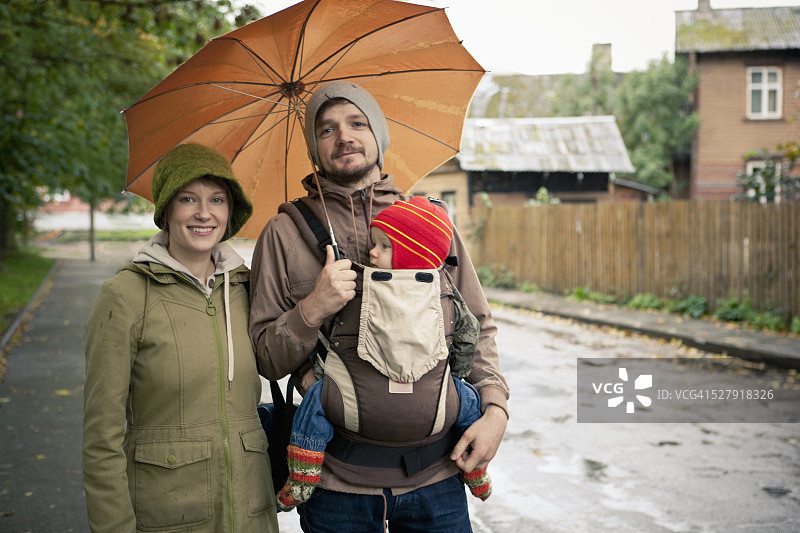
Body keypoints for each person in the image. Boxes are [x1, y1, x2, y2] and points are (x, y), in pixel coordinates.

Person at [249, 80, 509, 532]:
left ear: (378, 135)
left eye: (357, 123)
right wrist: (312, 309)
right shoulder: (282, 234)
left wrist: (496, 410)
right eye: (326, 129)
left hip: (438, 477)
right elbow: (265, 359)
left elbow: (477, 325)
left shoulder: (427, 221)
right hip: (336, 486)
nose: (343, 137)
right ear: (314, 149)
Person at [83, 143, 279, 533]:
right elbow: (101, 438)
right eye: (188, 199)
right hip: (168, 518)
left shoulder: (250, 288)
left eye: (217, 199)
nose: (204, 213)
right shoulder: (125, 296)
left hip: (252, 515)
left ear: (230, 211)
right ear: (167, 209)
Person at [275, 197, 492, 511]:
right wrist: (455, 373)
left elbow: (474, 329)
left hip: (432, 469)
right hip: (347, 469)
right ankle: (303, 474)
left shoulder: (435, 282)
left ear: (413, 254)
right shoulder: (437, 287)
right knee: (466, 401)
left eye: (384, 246)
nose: (372, 252)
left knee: (314, 406)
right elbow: (467, 336)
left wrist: (494, 406)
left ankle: (302, 475)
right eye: (374, 244)